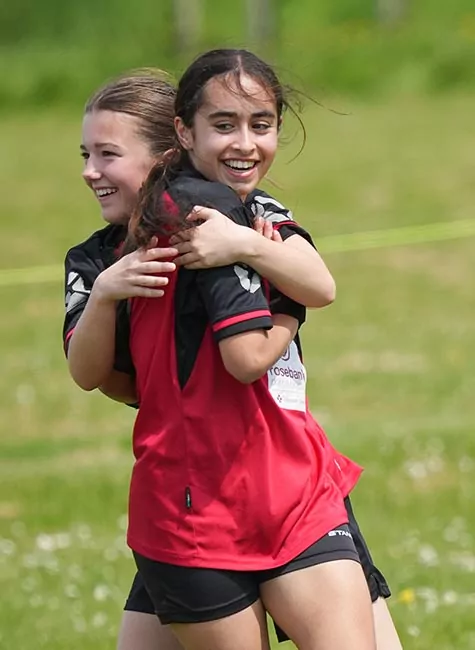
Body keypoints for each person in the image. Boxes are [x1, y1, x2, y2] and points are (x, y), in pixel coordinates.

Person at [63, 67, 401, 649]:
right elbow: (101, 379)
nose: (91, 171)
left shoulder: (233, 209)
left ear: (170, 149)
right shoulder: (99, 259)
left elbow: (315, 286)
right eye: (86, 154)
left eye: (108, 154)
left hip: (289, 482)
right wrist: (106, 294)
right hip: (191, 502)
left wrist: (247, 249)